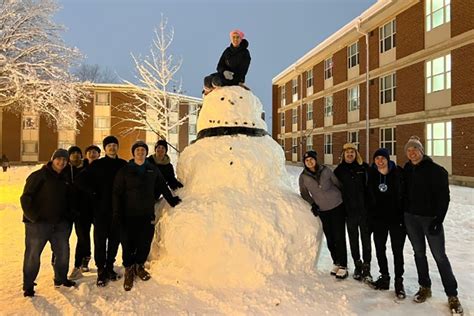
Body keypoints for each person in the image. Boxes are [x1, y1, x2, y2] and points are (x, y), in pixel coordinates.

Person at [402, 136, 463, 313]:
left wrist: (438, 220)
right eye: (409, 150)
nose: (412, 153)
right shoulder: (407, 168)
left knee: (440, 256)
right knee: (419, 253)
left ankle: (452, 295)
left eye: (415, 149)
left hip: (430, 220)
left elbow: (444, 199)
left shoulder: (437, 171)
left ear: (422, 151)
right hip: (411, 218)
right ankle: (425, 287)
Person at [113, 141, 182, 291]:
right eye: (137, 150)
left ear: (145, 152)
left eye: (143, 150)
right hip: (128, 214)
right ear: (133, 153)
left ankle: (139, 266)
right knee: (127, 243)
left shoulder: (152, 169)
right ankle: (129, 269)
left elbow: (163, 186)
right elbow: (117, 193)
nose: (140, 152)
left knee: (144, 242)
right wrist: (117, 213)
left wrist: (172, 200)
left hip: (146, 213)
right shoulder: (126, 169)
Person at [20, 149, 76, 297]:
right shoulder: (38, 176)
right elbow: (26, 198)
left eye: (64, 160)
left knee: (63, 253)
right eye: (58, 159)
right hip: (38, 224)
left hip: (60, 224)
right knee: (33, 255)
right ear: (52, 159)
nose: (61, 162)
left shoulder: (66, 178)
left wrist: (68, 217)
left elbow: (69, 200)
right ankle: (28, 285)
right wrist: (33, 217)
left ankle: (61, 279)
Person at [76, 136, 127, 287]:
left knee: (114, 240)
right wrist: (93, 192)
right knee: (100, 241)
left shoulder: (123, 165)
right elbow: (80, 180)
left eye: (114, 145)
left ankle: (110, 267)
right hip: (100, 211)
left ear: (117, 147)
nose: (112, 147)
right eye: (109, 145)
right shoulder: (97, 164)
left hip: (118, 210)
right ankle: (101, 270)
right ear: (105, 149)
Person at [299, 150, 348, 279]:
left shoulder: (326, 170)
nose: (309, 162)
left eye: (311, 159)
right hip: (323, 210)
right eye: (306, 160)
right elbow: (304, 193)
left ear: (316, 160)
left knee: (339, 235)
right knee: (330, 237)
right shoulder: (303, 177)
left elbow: (337, 183)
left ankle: (343, 265)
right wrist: (313, 204)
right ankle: (336, 262)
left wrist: (345, 198)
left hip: (337, 205)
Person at [367, 148, 406, 299]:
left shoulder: (398, 173)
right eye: (377, 158)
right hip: (379, 220)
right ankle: (384, 277)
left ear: (388, 159)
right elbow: (368, 196)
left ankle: (398, 281)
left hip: (396, 220)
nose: (380, 161)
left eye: (383, 158)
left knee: (397, 251)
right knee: (380, 248)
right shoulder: (371, 174)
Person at [334, 143, 372, 282]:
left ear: (356, 154)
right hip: (349, 212)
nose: (350, 154)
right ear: (343, 155)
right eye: (347, 152)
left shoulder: (364, 168)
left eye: (352, 152)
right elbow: (335, 190)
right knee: (353, 240)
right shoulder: (339, 171)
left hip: (364, 212)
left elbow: (371, 187)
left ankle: (367, 267)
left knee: (366, 240)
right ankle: (358, 264)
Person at [68, 145, 100, 279]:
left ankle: (102, 265)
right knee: (82, 237)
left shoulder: (99, 167)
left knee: (99, 237)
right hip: (81, 210)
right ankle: (79, 264)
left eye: (95, 152)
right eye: (89, 152)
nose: (92, 154)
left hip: (98, 208)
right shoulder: (74, 169)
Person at [203, 29, 251, 95]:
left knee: (216, 81)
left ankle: (220, 94)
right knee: (207, 80)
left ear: (241, 39)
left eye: (237, 37)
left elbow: (244, 69)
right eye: (233, 37)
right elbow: (219, 65)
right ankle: (208, 95)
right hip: (224, 74)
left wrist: (240, 81)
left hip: (234, 77)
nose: (235, 39)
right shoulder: (227, 51)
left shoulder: (245, 53)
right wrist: (224, 71)